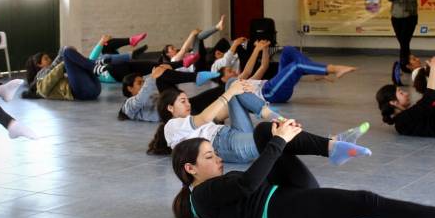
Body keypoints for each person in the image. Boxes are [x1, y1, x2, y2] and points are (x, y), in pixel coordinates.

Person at [171, 119, 435, 218]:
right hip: (286, 216)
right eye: (209, 157)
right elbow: (246, 185)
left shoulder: (206, 190)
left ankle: (333, 147)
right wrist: (281, 142)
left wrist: (277, 137)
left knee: (263, 130)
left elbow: (253, 181)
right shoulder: (203, 196)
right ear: (190, 169)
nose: (218, 159)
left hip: (286, 195)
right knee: (364, 202)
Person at [149, 79, 371, 163]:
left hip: (230, 135)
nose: (187, 104)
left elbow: (220, 113)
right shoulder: (171, 126)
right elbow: (207, 117)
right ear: (169, 108)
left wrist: (238, 89)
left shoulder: (187, 123)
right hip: (226, 145)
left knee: (232, 85)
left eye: (188, 100)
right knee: (270, 134)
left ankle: (275, 117)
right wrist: (231, 93)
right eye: (182, 101)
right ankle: (333, 145)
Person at [220, 43, 356, 104]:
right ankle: (333, 69)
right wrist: (256, 49)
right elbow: (247, 71)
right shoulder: (233, 85)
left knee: (288, 50)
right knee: (296, 66)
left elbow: (263, 67)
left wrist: (265, 49)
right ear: (223, 80)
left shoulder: (245, 82)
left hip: (272, 85)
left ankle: (317, 72)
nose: (232, 70)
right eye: (228, 71)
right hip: (271, 93)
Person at [118, 64, 223, 122]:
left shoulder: (152, 96)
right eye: (139, 83)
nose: (143, 84)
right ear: (130, 88)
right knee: (159, 78)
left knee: (220, 91)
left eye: (143, 82)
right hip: (172, 113)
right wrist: (153, 77)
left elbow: (173, 93)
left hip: (181, 106)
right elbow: (140, 99)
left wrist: (165, 72)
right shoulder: (128, 105)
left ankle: (227, 84)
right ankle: (196, 77)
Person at [386, 0, 420, 73]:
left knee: (405, 41)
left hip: (409, 16)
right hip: (396, 16)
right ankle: (408, 63)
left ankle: (403, 65)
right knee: (403, 42)